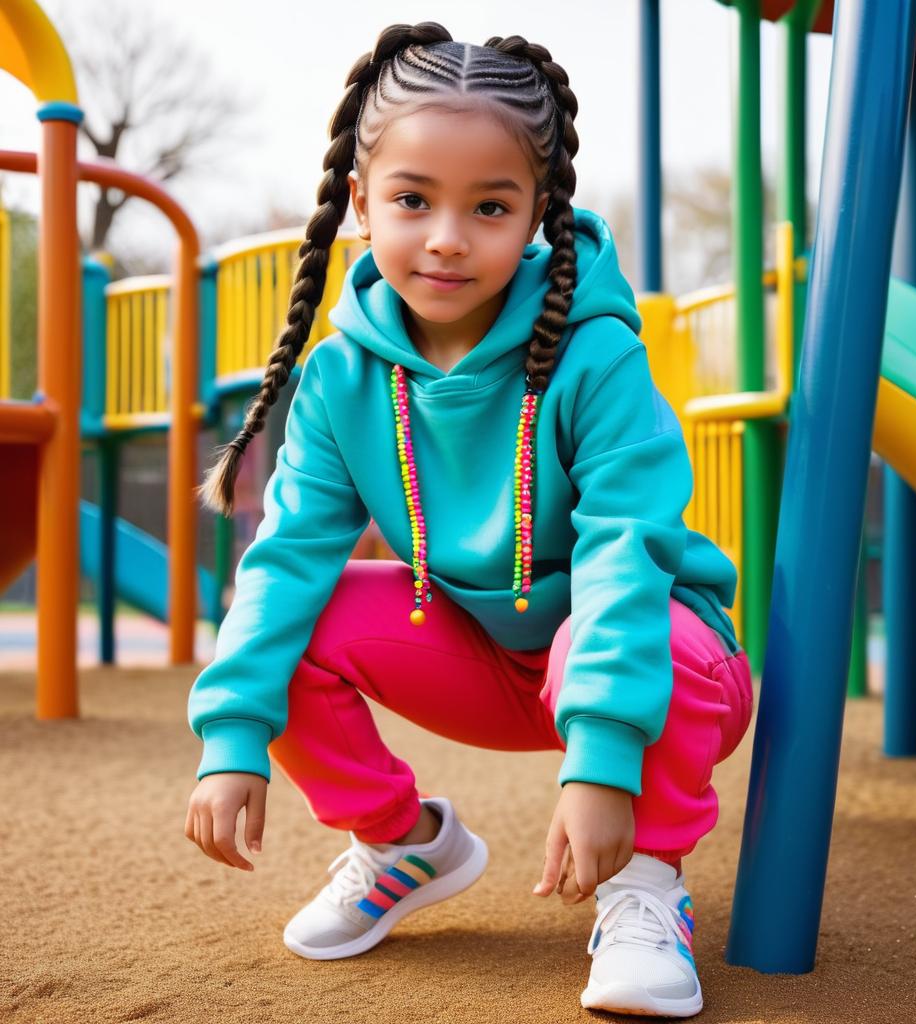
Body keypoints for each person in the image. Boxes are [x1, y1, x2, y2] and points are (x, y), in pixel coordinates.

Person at [183, 22, 752, 1020]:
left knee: (618, 627)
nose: (446, 235)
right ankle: (404, 844)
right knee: (301, 622)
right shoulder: (340, 379)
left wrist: (606, 760)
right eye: (412, 199)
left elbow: (627, 551)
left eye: (489, 205)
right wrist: (233, 731)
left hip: (659, 662)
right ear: (361, 201)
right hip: (491, 656)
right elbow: (283, 559)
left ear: (537, 214)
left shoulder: (595, 358)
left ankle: (644, 889)